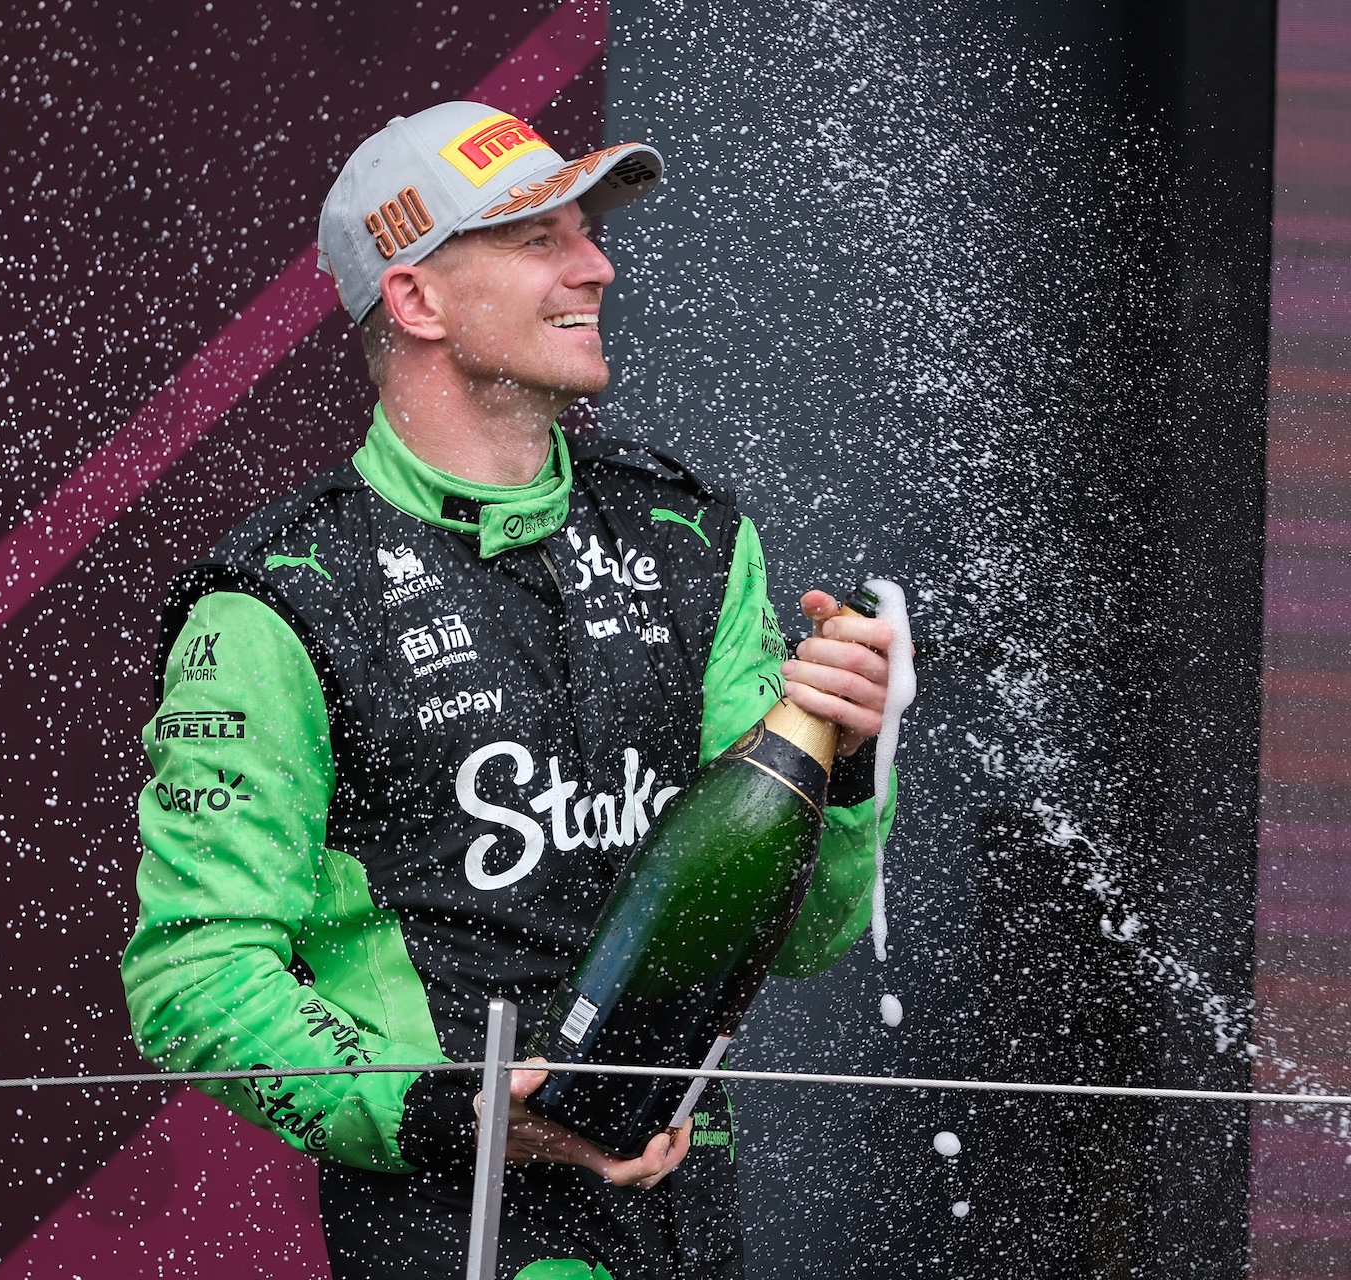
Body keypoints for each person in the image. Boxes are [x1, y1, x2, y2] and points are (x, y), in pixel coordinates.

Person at [121, 102, 898, 1280]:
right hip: (456, 1227)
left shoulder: (695, 537)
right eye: (540, 238)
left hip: (692, 1225)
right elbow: (192, 975)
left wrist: (847, 768)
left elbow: (799, 938)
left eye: (588, 230)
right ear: (417, 300)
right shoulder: (277, 599)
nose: (598, 263)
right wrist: (459, 1113)